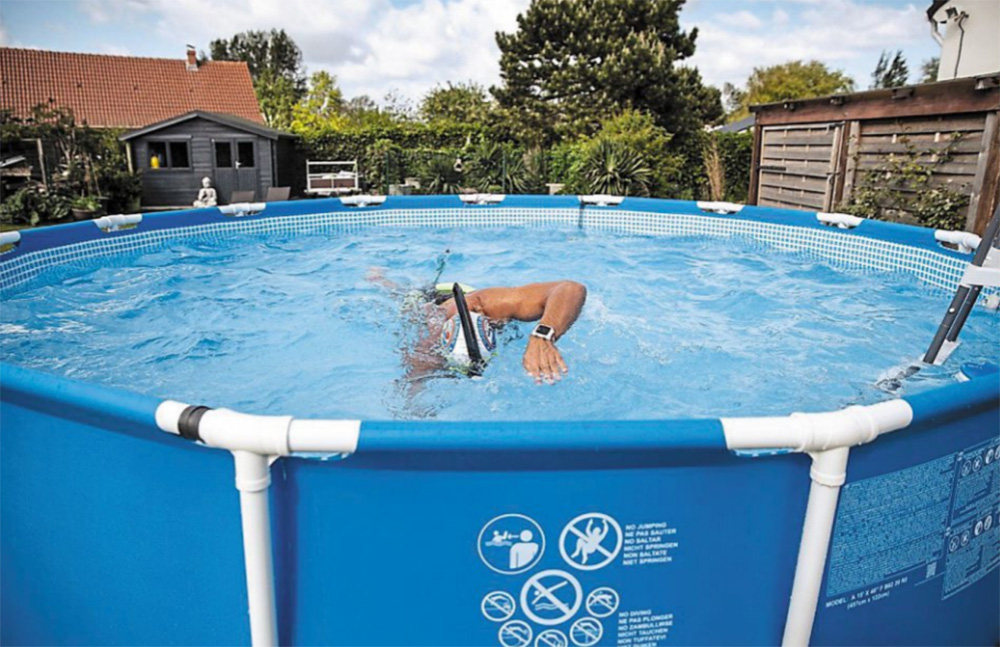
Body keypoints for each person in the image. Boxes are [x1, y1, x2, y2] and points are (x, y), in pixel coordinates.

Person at [368, 270, 586, 384]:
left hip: (462, 295)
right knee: (405, 296)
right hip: (431, 304)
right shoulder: (423, 349)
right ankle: (379, 279)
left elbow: (570, 289)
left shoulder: (488, 307)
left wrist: (543, 335)